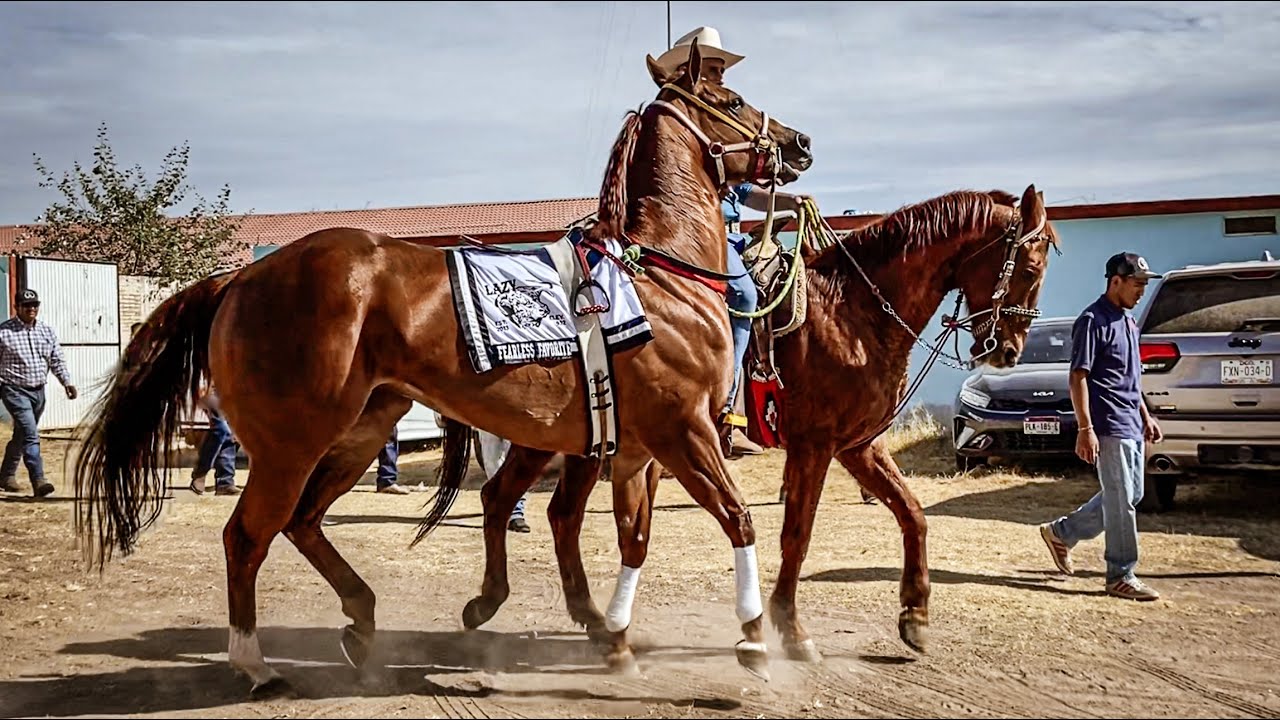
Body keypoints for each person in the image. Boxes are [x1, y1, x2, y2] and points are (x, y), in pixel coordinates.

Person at [655, 26, 812, 456]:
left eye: (722, 68)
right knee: (744, 295)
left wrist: (791, 202)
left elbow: (745, 193)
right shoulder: (691, 125)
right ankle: (726, 409)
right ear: (692, 70)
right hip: (704, 240)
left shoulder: (720, 127)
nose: (721, 74)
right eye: (713, 67)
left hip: (731, 240)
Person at [1039, 252, 1165, 602]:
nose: (1141, 291)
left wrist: (1146, 415)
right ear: (1116, 281)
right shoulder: (1092, 321)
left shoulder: (1129, 322)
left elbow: (1130, 377)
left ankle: (1063, 533)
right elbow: (1078, 376)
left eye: (1144, 284)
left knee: (1129, 495)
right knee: (1121, 501)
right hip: (1108, 424)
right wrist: (1085, 428)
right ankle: (1120, 574)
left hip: (1131, 423)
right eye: (1137, 284)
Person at [0, 289, 76, 497]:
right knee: (31, 434)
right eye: (26, 305)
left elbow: (56, 359)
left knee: (22, 434)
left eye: (35, 305)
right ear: (17, 307)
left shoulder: (46, 331)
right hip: (14, 390)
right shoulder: (4, 332)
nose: (31, 309)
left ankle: (6, 475)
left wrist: (66, 382)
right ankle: (39, 480)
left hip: (38, 392)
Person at [189, 385, 241, 496]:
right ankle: (200, 472)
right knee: (221, 429)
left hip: (227, 389)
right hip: (207, 388)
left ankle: (225, 482)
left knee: (231, 433)